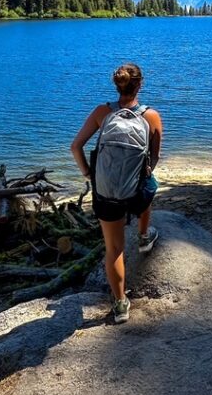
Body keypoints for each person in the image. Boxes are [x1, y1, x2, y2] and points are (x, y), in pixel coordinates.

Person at [70, 63, 163, 323]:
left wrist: (89, 174)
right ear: (140, 84)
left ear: (116, 85)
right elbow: (154, 157)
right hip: (135, 191)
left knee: (114, 248)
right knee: (149, 186)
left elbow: (75, 147)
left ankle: (121, 305)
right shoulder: (151, 116)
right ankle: (144, 236)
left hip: (106, 191)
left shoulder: (102, 112)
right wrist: (142, 174)